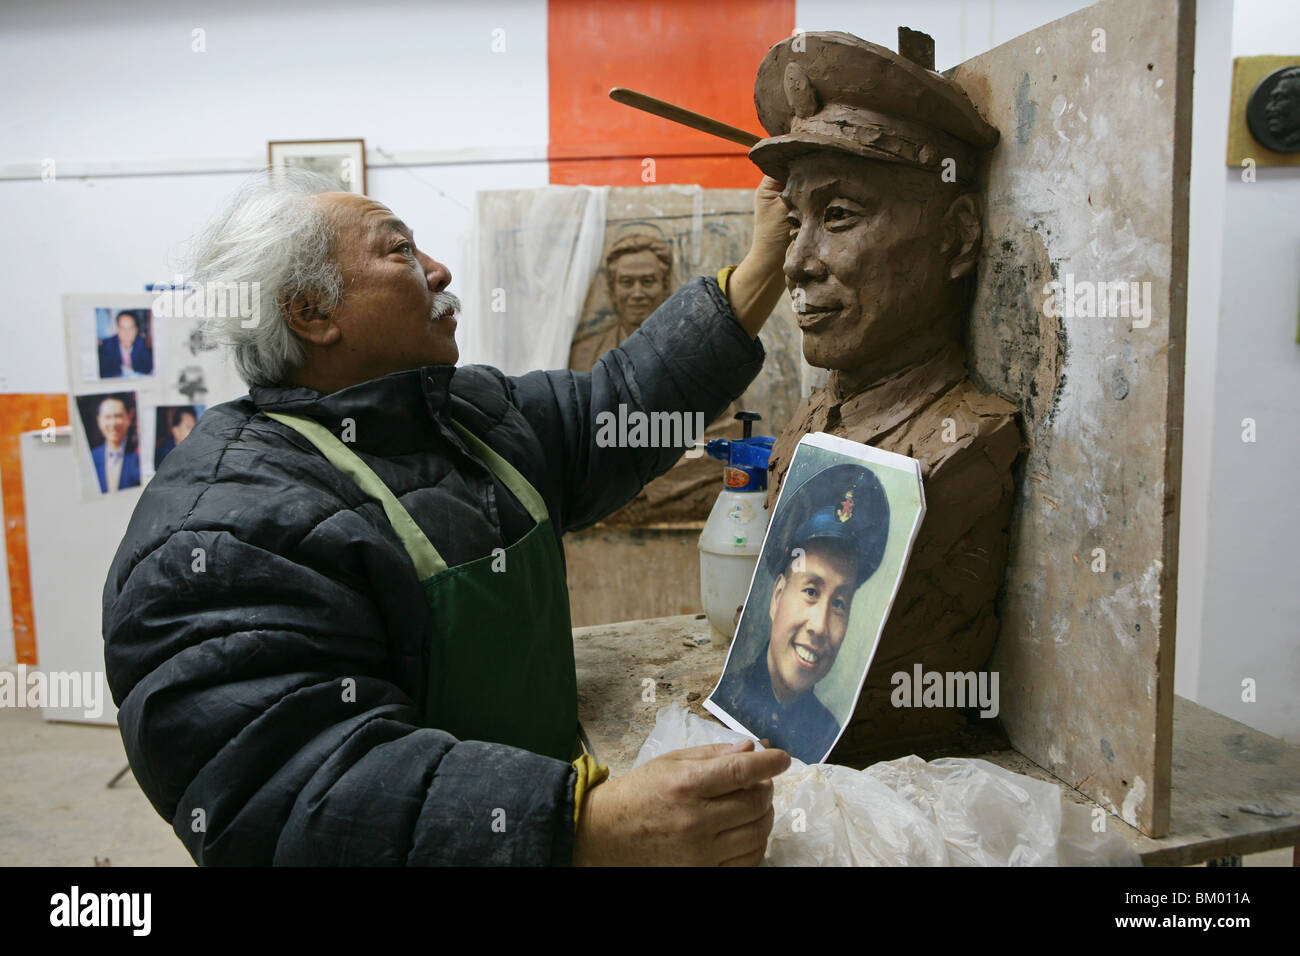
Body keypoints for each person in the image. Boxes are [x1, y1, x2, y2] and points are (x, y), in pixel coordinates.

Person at [101, 167, 793, 866]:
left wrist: (765, 263)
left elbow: (618, 406)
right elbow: (294, 791)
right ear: (312, 311)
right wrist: (580, 825)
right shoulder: (221, 528)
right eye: (400, 252)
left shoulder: (469, 417)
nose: (438, 269)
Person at [752, 32, 1024, 761]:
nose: (798, 264)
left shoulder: (969, 443)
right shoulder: (814, 423)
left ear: (958, 238)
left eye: (838, 216)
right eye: (794, 221)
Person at [713, 464, 887, 763]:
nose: (820, 627)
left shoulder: (829, 733)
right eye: (811, 591)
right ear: (777, 596)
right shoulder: (728, 704)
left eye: (839, 604)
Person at [90, 395, 140, 493]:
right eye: (107, 417)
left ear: (128, 418)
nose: (113, 424)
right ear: (99, 421)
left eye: (118, 416)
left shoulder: (139, 456)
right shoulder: (91, 458)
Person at [98, 310, 154, 378]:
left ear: (136, 330)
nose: (126, 333)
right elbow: (103, 372)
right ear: (117, 329)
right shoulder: (108, 344)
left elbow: (148, 368)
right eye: (122, 328)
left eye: (130, 328)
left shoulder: (141, 343)